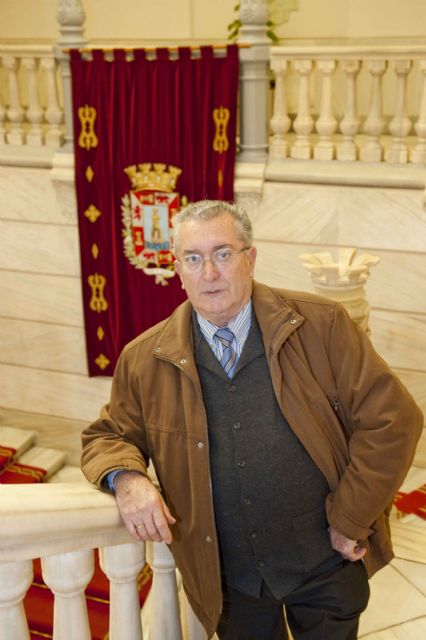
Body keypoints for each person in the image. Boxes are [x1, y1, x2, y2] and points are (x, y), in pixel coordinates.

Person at [81, 200, 423, 640]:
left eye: (223, 254)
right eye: (193, 258)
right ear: (178, 269)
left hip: (327, 563)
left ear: (251, 258)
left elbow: (393, 421)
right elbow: (107, 435)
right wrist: (127, 478)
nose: (209, 273)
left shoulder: (322, 325)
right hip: (231, 582)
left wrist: (351, 518)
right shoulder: (145, 358)